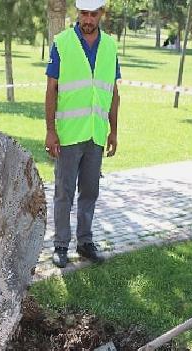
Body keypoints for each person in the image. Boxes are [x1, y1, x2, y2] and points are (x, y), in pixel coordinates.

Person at [44, 0, 121, 268]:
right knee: (63, 192)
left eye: (93, 14)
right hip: (68, 134)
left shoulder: (111, 47)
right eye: (84, 14)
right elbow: (51, 89)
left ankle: (85, 242)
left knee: (90, 191)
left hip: (96, 134)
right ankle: (60, 245)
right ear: (78, 13)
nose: (88, 19)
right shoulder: (62, 43)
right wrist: (50, 131)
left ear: (101, 14)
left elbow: (113, 92)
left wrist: (113, 131)